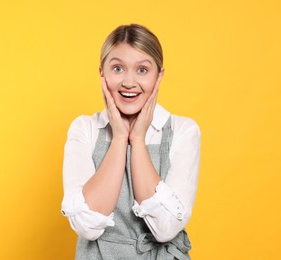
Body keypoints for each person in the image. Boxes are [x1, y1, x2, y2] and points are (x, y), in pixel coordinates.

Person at [61, 24, 201, 259]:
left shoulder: (183, 131)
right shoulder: (85, 129)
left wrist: (137, 139)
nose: (129, 82)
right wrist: (119, 138)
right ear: (102, 73)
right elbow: (87, 227)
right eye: (117, 68)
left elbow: (165, 228)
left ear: (159, 75)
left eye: (142, 70)